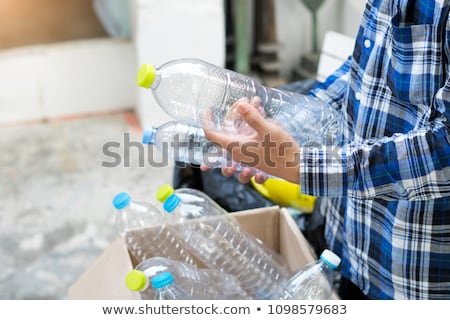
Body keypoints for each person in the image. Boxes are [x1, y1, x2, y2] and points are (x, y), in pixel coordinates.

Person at [201, 0, 450, 299]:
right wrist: (286, 124)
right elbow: (365, 69)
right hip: (349, 247)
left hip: (414, 276)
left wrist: (305, 167)